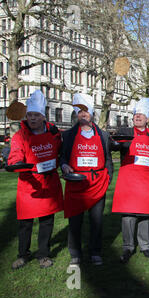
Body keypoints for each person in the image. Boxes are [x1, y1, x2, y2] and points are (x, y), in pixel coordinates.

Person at [8, 90, 63, 269]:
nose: (32, 119)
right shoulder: (20, 135)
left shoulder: (54, 133)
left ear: (43, 116)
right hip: (29, 186)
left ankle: (43, 255)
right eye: (29, 115)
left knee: (47, 222)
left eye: (36, 115)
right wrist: (16, 162)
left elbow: (62, 152)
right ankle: (23, 255)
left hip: (48, 185)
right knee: (25, 223)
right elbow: (16, 154)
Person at [61, 93, 113, 266]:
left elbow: (108, 159)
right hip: (76, 183)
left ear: (92, 113)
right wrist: (64, 166)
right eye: (80, 112)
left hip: (97, 183)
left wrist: (108, 178)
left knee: (96, 221)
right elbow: (62, 157)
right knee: (75, 221)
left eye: (86, 111)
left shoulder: (103, 135)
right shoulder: (68, 135)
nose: (83, 115)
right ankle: (75, 252)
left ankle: (95, 252)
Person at [111, 98, 149, 263]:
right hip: (129, 180)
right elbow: (115, 146)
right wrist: (113, 142)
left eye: (141, 115)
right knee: (128, 214)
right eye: (136, 115)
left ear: (147, 119)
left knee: (145, 214)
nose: (138, 117)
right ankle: (128, 247)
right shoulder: (125, 132)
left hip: (147, 180)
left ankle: (145, 246)